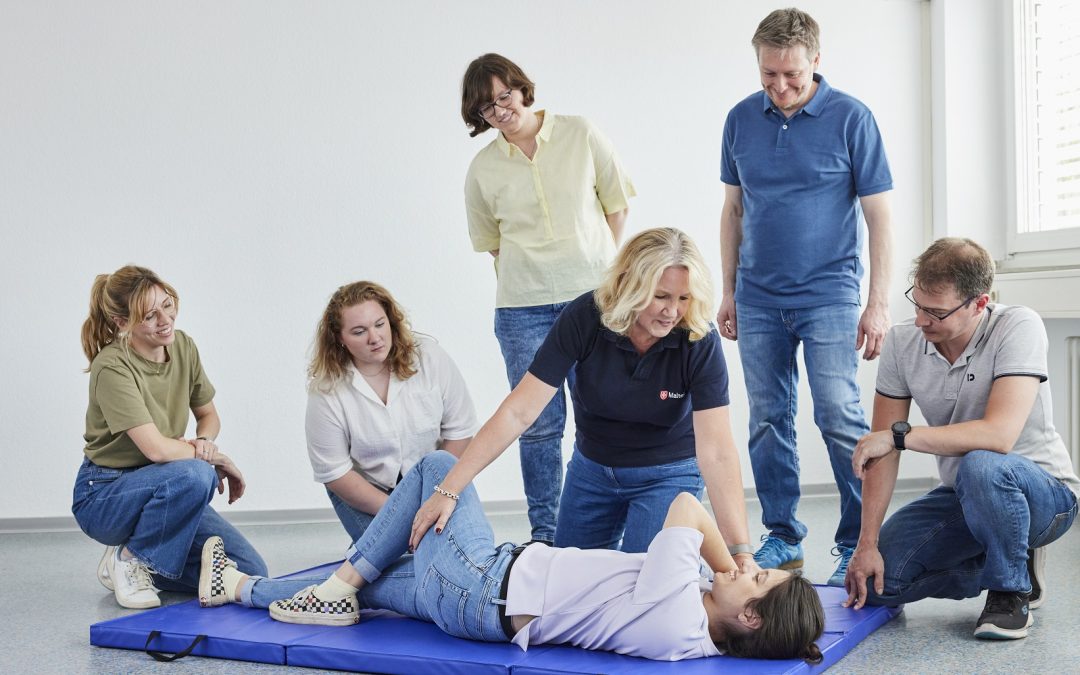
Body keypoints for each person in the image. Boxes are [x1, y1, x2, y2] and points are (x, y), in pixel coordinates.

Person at [197, 451, 825, 663]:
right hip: (475, 610)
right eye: (756, 566)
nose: (746, 567)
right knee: (370, 589)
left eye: (756, 579)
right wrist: (734, 578)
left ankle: (345, 576)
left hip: (482, 582)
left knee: (441, 469)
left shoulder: (676, 609)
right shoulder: (692, 635)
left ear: (749, 618)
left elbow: (688, 505)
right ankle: (238, 589)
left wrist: (724, 562)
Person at [413, 228, 757, 563]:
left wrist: (740, 551)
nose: (672, 311)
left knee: (643, 581)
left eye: (684, 299)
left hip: (667, 473)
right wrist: (449, 489)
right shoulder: (585, 317)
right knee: (566, 584)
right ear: (629, 285)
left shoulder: (699, 338)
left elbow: (717, 452)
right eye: (661, 296)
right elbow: (519, 412)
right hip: (593, 471)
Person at [716, 7, 894, 584]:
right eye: (769, 74)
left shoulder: (851, 118)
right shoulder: (740, 118)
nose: (781, 87)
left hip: (830, 296)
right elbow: (733, 210)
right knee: (768, 420)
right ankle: (783, 537)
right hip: (759, 296)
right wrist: (728, 291)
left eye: (791, 74)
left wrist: (878, 300)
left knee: (840, 415)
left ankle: (855, 540)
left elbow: (879, 217)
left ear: (816, 61)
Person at [844, 238, 1080, 640]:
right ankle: (1011, 558)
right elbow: (883, 450)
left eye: (935, 312)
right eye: (917, 304)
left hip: (1044, 494)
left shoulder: (1018, 326)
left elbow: (998, 436)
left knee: (982, 463)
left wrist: (900, 438)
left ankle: (1010, 591)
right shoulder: (903, 343)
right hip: (962, 494)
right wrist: (865, 543)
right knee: (885, 581)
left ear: (978, 303)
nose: (921, 321)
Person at [462, 53, 636, 544]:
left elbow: (616, 207)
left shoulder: (580, 133)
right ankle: (547, 535)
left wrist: (596, 268)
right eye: (486, 108)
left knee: (600, 415)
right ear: (479, 117)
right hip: (523, 308)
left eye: (504, 96)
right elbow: (494, 245)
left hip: (596, 301)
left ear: (521, 89)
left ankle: (599, 529)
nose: (500, 111)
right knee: (538, 425)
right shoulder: (482, 169)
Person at [73, 265, 267, 609]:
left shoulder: (184, 347)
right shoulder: (112, 366)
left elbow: (208, 416)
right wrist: (213, 459)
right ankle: (130, 559)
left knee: (250, 570)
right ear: (122, 323)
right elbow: (157, 449)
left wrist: (205, 444)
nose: (165, 319)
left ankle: (133, 558)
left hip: (167, 485)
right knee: (197, 473)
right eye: (149, 315)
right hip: (104, 494)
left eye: (167, 304)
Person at [306, 281, 478, 542]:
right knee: (402, 558)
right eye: (359, 331)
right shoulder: (327, 390)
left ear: (391, 321)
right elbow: (336, 473)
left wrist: (435, 497)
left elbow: (460, 431)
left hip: (435, 485)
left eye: (379, 324)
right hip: (367, 495)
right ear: (339, 338)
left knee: (456, 547)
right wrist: (401, 514)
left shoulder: (429, 357)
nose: (374, 338)